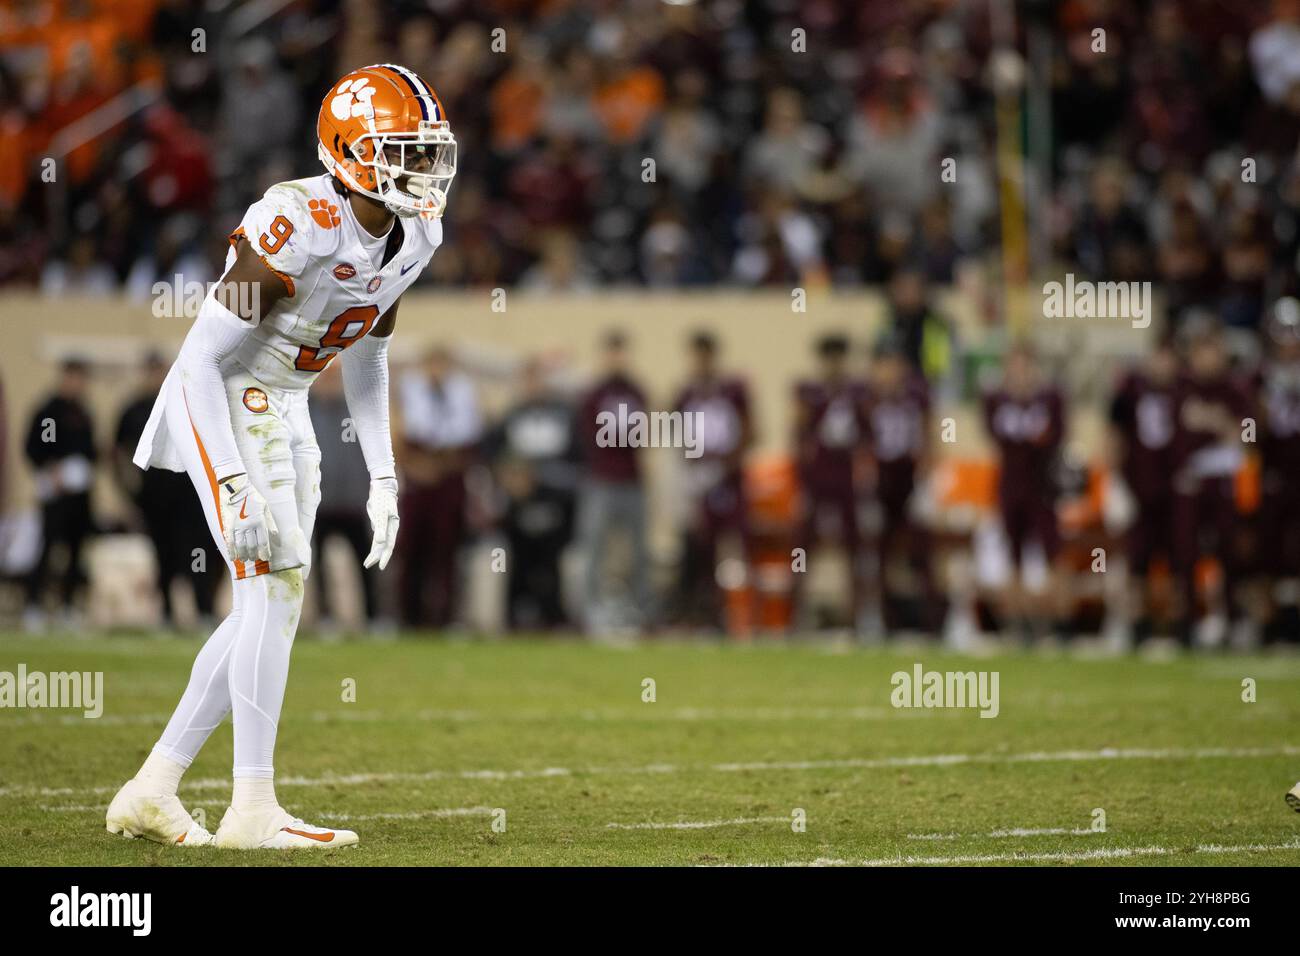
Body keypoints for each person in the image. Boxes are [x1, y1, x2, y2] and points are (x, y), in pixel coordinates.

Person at [106, 64, 456, 850]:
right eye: (404, 150)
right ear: (349, 150)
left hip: (287, 403)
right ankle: (251, 808)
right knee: (271, 587)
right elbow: (200, 359)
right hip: (225, 396)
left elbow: (367, 355)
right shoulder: (298, 223)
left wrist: (385, 474)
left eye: (429, 151)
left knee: (276, 600)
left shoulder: (418, 232)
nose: (424, 169)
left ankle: (153, 789)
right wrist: (228, 477)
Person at [114, 353, 222, 629]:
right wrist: (128, 493)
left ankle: (204, 610)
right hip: (155, 499)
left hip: (190, 499)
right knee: (164, 556)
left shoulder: (184, 404)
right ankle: (166, 614)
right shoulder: (134, 410)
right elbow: (116, 453)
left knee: (199, 554)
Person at [1169, 318, 1254, 647]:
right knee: (1186, 553)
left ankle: (1231, 618)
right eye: (1201, 350)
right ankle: (1189, 622)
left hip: (1222, 481)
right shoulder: (1181, 389)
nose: (1207, 358)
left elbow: (1247, 436)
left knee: (1228, 551)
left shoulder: (1235, 390)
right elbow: (1173, 438)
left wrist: (1218, 421)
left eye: (1212, 350)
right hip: (1190, 482)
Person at [982, 342, 1070, 642]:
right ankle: (1019, 622)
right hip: (1011, 483)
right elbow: (996, 437)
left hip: (1042, 485)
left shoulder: (1050, 399)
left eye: (1023, 365)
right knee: (1014, 554)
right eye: (1013, 365)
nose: (1018, 372)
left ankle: (1057, 623)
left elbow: (1055, 437)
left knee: (1053, 553)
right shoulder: (995, 400)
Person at [484, 358, 580, 630]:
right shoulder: (511, 416)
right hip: (519, 503)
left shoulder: (564, 415)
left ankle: (553, 616)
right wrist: (508, 478)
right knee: (519, 562)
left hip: (555, 502)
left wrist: (546, 480)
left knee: (552, 563)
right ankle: (516, 616)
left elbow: (577, 462)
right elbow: (490, 453)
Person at [671, 331, 753, 630]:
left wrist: (724, 466)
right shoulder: (685, 394)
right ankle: (707, 613)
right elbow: (678, 433)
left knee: (737, 543)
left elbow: (749, 431)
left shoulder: (733, 389)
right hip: (700, 481)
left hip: (729, 480)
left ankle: (744, 614)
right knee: (702, 546)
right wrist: (691, 473)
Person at [397, 345, 481, 628]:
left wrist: (443, 467)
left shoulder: (462, 392)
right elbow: (402, 435)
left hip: (449, 477)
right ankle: (408, 617)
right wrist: (416, 467)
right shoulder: (410, 390)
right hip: (418, 478)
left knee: (447, 548)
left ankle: (445, 617)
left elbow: (468, 440)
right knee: (411, 548)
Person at [575, 330, 653, 632]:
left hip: (631, 480)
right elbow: (589, 436)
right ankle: (591, 611)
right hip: (601, 480)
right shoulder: (595, 394)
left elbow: (639, 435)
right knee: (595, 547)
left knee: (638, 550)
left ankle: (640, 610)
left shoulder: (636, 392)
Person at [790, 334, 868, 629]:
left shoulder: (857, 393)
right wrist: (801, 477)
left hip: (846, 477)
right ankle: (797, 612)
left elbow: (867, 435)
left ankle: (856, 616)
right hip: (817, 477)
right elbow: (798, 433)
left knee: (854, 545)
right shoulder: (810, 392)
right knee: (803, 543)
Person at [1107, 336, 1180, 644]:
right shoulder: (1131, 390)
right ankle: (1136, 625)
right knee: (1137, 560)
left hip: (1175, 490)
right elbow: (1114, 433)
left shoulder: (1184, 388)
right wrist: (1116, 481)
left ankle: (1175, 626)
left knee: (1177, 560)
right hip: (1139, 487)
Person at [863, 336, 938, 636]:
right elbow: (860, 443)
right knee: (876, 553)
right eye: (883, 364)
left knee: (921, 550)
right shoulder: (866, 397)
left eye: (894, 364)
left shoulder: (916, 394)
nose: (888, 370)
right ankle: (880, 621)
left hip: (908, 477)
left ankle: (933, 622)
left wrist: (925, 479)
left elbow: (929, 436)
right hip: (880, 479)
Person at [23, 358, 97, 629]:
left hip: (79, 496)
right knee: (47, 549)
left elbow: (91, 451)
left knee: (76, 552)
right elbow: (33, 448)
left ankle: (68, 607)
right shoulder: (47, 412)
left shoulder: (83, 412)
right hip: (54, 495)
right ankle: (34, 607)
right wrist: (49, 469)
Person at [307, 361, 382, 629]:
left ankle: (373, 618)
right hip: (320, 502)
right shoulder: (305, 410)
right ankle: (326, 617)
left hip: (353, 501)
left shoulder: (356, 410)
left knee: (367, 561)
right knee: (318, 565)